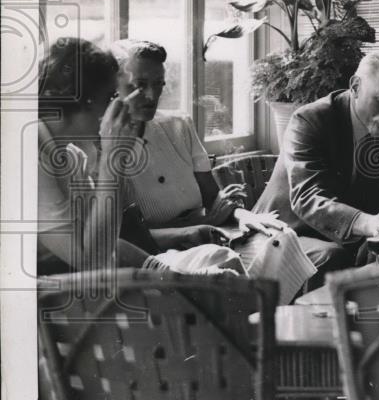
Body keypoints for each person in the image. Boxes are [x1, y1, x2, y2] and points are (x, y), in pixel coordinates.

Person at [112, 39, 314, 299]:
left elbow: (213, 199)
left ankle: (260, 320)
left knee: (281, 236)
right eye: (140, 85)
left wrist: (244, 216)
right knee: (225, 263)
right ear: (113, 84)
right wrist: (189, 228)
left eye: (158, 84)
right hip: (161, 256)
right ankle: (256, 322)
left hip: (206, 236)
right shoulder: (101, 149)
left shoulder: (178, 126)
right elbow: (122, 240)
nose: (152, 96)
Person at [36, 38, 240, 277]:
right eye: (111, 97)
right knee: (224, 281)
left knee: (223, 264)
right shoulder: (28, 159)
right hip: (55, 300)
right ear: (85, 99)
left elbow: (108, 243)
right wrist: (112, 160)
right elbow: (90, 259)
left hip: (94, 284)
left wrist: (164, 272)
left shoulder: (71, 157)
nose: (119, 106)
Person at [253, 50, 379, 272]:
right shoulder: (309, 119)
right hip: (283, 229)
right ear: (355, 86)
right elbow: (307, 198)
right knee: (332, 256)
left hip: (342, 233)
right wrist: (367, 224)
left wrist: (377, 231)